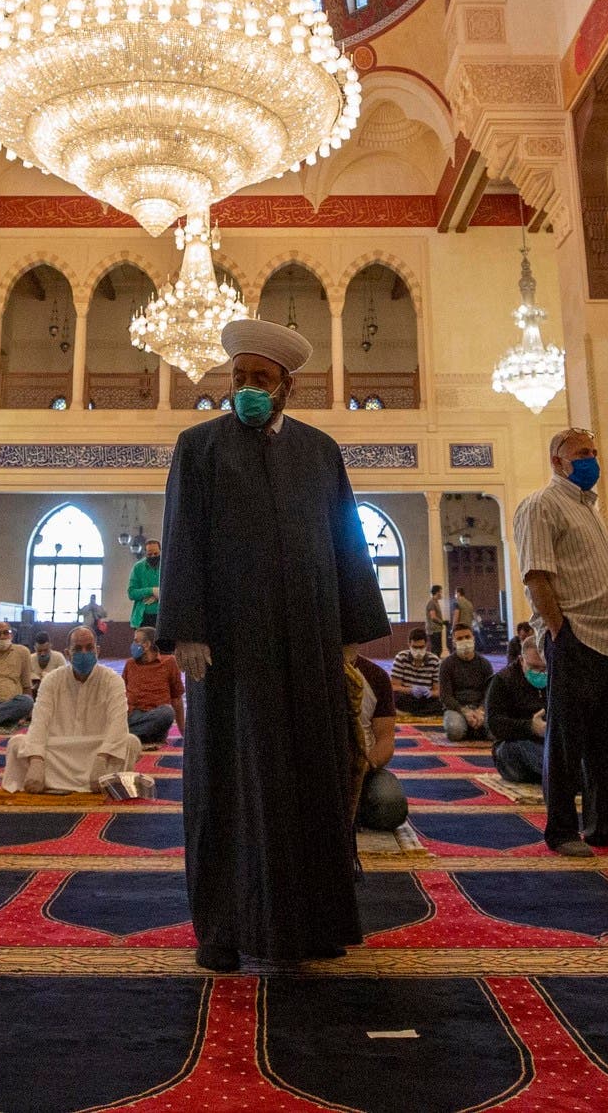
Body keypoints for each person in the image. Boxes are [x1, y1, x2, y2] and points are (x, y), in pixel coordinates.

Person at [159, 317, 390, 971]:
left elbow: (348, 540)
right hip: (232, 654)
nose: (249, 390)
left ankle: (316, 924)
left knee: (310, 779)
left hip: (310, 645)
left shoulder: (320, 452)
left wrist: (348, 632)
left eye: (262, 379)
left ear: (288, 385)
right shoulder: (199, 446)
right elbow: (183, 537)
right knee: (232, 783)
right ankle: (223, 930)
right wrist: (187, 627)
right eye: (240, 378)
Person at [516, 425, 608, 858]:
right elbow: (536, 575)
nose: (592, 458)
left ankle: (605, 825)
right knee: (567, 739)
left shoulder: (590, 508)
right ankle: (561, 831)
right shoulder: (542, 505)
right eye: (582, 452)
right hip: (576, 635)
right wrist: (559, 630)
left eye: (594, 450)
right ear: (558, 461)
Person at [4, 627, 143, 793]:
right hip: (58, 748)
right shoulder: (52, 680)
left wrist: (101, 758)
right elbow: (39, 722)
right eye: (77, 649)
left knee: (130, 742)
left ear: (97, 651)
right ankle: (45, 777)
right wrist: (36, 760)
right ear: (67, 653)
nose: (84, 653)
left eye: (89, 648)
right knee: (16, 743)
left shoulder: (112, 680)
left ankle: (54, 782)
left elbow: (118, 723)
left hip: (97, 749)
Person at [347, 647, 406, 832]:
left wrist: (363, 766)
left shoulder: (375, 676)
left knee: (390, 805)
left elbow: (385, 741)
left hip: (364, 770)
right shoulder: (306, 671)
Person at [486, 631, 549, 784]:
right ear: (521, 660)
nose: (540, 673)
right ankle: (566, 775)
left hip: (549, 743)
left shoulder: (557, 677)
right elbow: (494, 725)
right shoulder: (503, 680)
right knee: (521, 748)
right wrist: (531, 727)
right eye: (534, 667)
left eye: (544, 668)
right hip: (513, 746)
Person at [123, 625, 184, 745]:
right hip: (133, 715)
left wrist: (183, 731)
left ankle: (126, 734)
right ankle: (143, 735)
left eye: (136, 641)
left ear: (146, 645)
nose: (133, 645)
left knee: (167, 713)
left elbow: (176, 698)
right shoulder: (130, 664)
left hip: (156, 715)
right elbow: (120, 694)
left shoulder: (169, 662)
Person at [437, 623, 495, 743]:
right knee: (455, 730)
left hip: (480, 709)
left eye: (467, 637)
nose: (464, 641)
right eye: (459, 638)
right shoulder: (446, 664)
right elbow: (445, 696)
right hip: (457, 709)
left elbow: (489, 692)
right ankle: (474, 729)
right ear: (453, 642)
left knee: (497, 731)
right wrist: (465, 712)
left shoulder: (484, 664)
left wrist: (481, 711)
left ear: (473, 638)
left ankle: (473, 728)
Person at [389, 625, 442, 718]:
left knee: (442, 702)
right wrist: (411, 690)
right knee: (392, 697)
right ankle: (422, 713)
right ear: (409, 644)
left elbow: (437, 690)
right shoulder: (401, 657)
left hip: (426, 699)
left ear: (426, 645)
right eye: (415, 647)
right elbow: (394, 686)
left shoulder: (434, 660)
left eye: (421, 647)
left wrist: (430, 693)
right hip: (406, 696)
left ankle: (410, 713)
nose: (418, 651)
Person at [128, 538, 162, 631]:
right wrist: (152, 591)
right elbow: (131, 593)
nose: (153, 556)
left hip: (163, 617)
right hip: (143, 618)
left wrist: (159, 595)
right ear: (145, 553)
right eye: (149, 554)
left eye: (156, 554)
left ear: (161, 551)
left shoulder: (166, 566)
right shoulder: (138, 567)